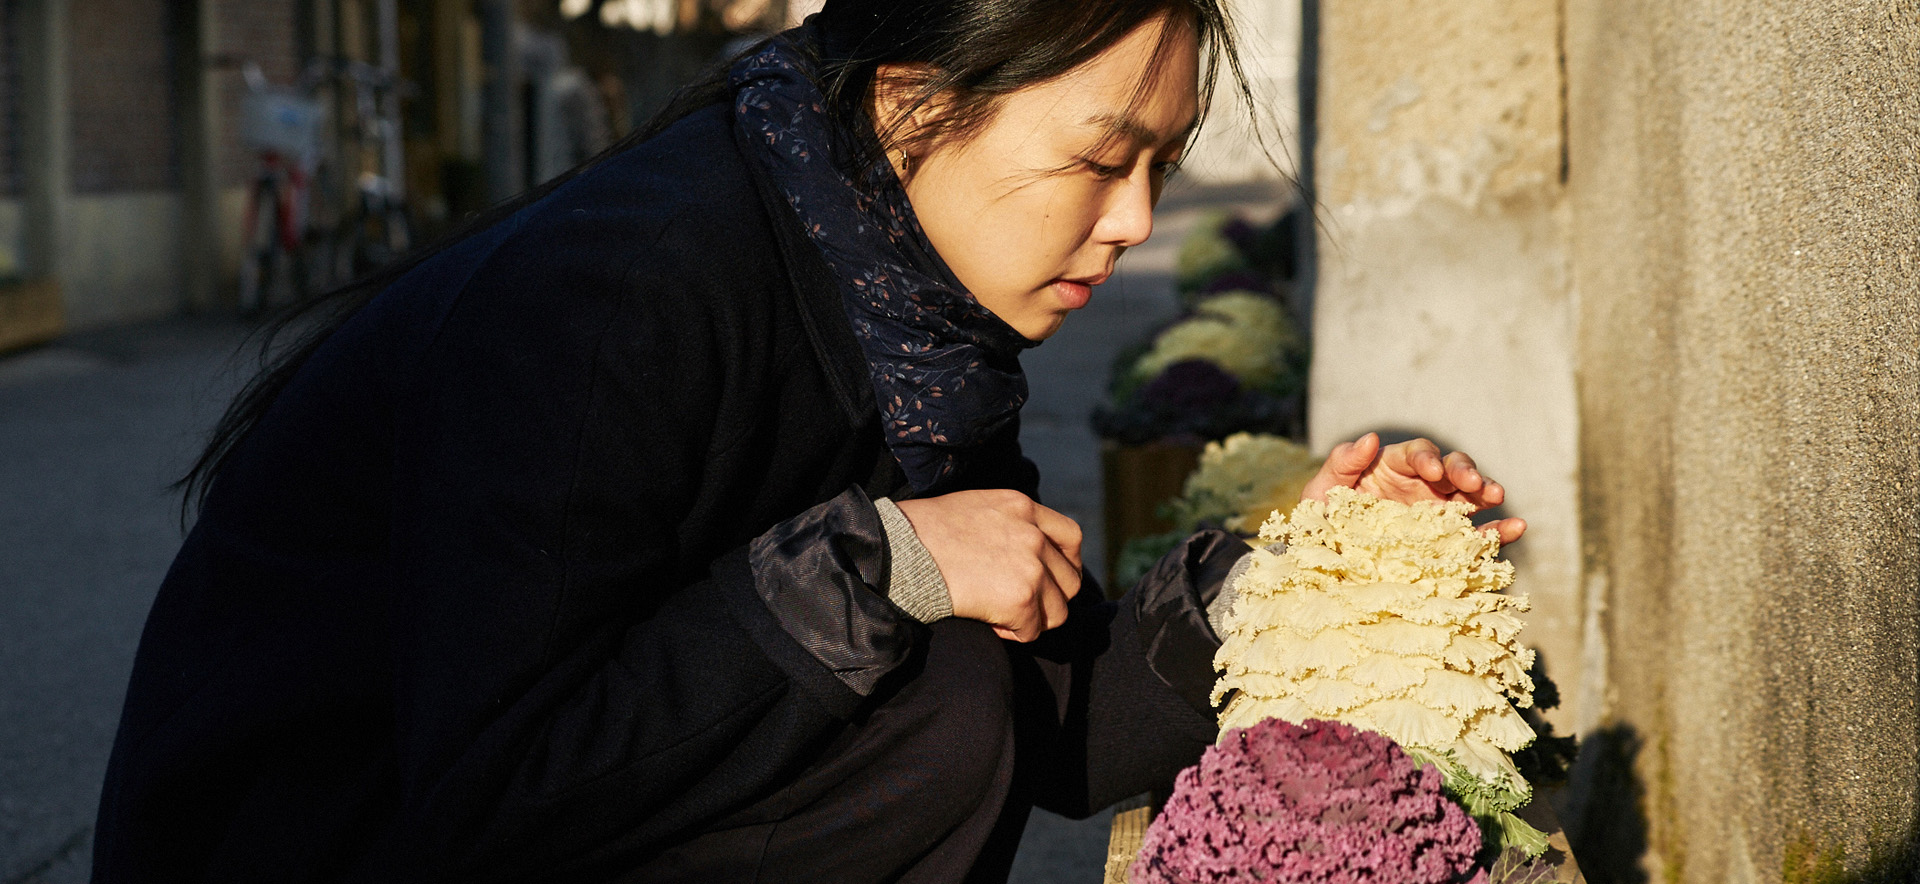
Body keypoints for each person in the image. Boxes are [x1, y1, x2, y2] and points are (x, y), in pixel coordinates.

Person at [93, 1, 1525, 881]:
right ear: (913, 100)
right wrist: (883, 562)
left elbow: (1059, 728)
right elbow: (496, 789)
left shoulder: (911, 328)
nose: (1141, 218)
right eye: (1103, 159)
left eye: (1161, 163)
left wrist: (1286, 583)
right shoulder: (623, 299)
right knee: (936, 676)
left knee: (956, 670)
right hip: (331, 837)